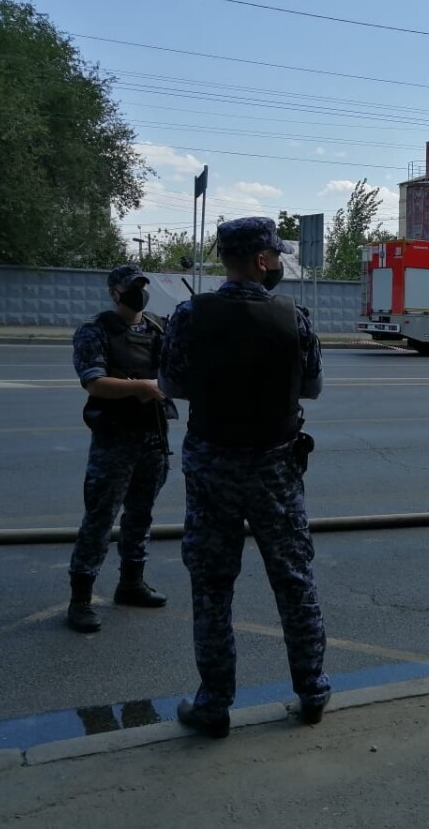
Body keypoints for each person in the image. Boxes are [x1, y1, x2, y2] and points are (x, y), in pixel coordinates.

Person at [160, 216, 329, 740]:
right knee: (293, 579)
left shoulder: (189, 315)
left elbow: (171, 382)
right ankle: (312, 691)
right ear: (260, 259)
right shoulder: (293, 317)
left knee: (212, 585)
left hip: (212, 464)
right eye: (276, 255)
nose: (279, 263)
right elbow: (313, 389)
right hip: (275, 467)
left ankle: (214, 704)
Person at [68, 264, 176, 633]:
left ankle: (131, 584)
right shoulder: (95, 331)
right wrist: (142, 387)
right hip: (114, 439)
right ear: (115, 293)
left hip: (153, 436)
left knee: (141, 516)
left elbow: (177, 371)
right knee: (99, 519)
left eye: (142, 286)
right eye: (131, 287)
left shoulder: (159, 328)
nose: (138, 293)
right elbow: (94, 383)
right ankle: (80, 599)